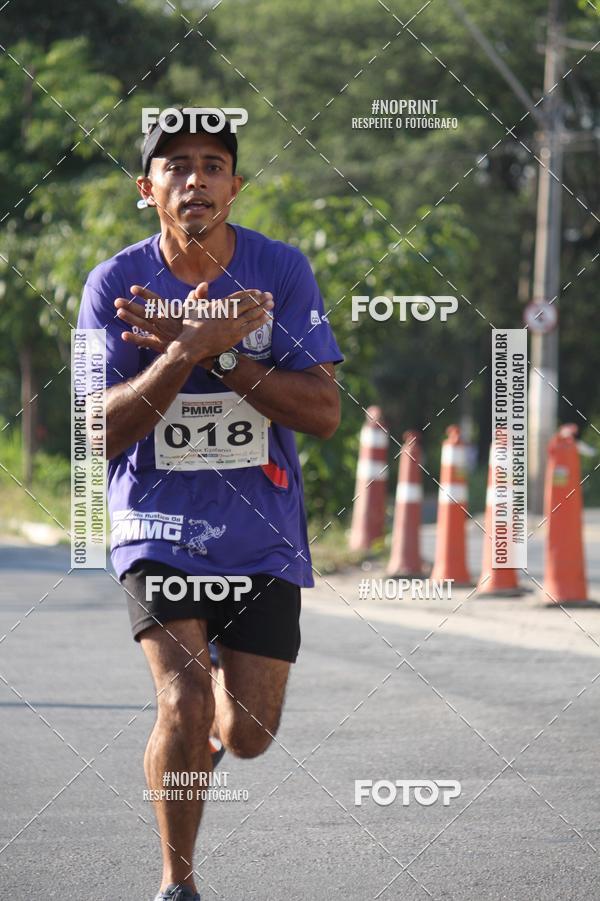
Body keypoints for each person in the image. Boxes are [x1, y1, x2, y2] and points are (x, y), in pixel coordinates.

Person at [77, 109, 343, 901]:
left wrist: (220, 354)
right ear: (146, 188)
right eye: (177, 165)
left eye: (213, 164)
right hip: (155, 523)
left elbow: (324, 411)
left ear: (235, 185)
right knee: (183, 700)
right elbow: (97, 430)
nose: (196, 178)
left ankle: (217, 715)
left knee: (249, 734)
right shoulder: (113, 285)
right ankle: (178, 883)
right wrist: (186, 348)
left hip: (260, 531)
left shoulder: (280, 270)